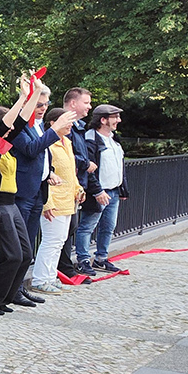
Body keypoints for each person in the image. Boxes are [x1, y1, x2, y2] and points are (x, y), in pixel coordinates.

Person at [0, 74, 49, 314]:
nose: (13, 129)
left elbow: (19, 123)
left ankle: (3, 298)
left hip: (10, 203)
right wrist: (23, 98)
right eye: (7, 126)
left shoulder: (5, 144)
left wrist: (34, 93)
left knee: (25, 254)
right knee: (11, 255)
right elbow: (10, 124)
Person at [11, 86, 75, 301]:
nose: (43, 108)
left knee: (28, 245)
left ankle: (19, 287)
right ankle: (12, 289)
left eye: (46, 104)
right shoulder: (20, 126)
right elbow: (31, 150)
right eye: (39, 104)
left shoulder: (38, 126)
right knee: (20, 245)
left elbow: (42, 157)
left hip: (39, 190)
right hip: (23, 192)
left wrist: (49, 173)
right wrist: (54, 129)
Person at [31, 105, 80, 293]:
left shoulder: (67, 142)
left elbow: (70, 171)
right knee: (51, 241)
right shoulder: (49, 143)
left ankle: (50, 277)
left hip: (67, 200)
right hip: (54, 200)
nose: (70, 125)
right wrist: (47, 202)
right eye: (67, 121)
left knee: (59, 241)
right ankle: (40, 279)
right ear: (53, 123)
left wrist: (78, 189)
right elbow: (45, 174)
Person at [77, 104, 127, 275]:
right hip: (98, 192)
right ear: (103, 120)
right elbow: (88, 170)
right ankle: (83, 260)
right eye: (115, 117)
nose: (119, 120)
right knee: (87, 226)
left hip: (113, 191)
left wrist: (123, 188)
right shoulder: (90, 140)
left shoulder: (114, 139)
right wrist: (97, 191)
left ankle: (101, 258)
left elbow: (119, 164)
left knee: (108, 227)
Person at [58, 87, 95, 283]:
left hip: (74, 185)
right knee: (61, 232)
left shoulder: (78, 127)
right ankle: (63, 269)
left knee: (69, 229)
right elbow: (64, 154)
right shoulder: (65, 125)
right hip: (62, 186)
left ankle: (64, 267)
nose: (89, 107)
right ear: (73, 103)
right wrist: (86, 164)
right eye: (86, 102)